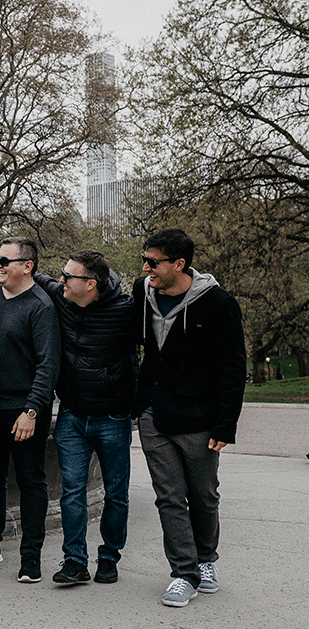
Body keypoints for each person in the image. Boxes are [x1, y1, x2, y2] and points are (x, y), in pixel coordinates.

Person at [133, 229, 245, 607]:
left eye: (154, 261)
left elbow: (234, 367)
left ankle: (206, 558)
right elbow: (94, 289)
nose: (146, 267)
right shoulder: (142, 292)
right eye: (145, 259)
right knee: (169, 497)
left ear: (179, 264)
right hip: (153, 413)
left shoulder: (218, 303)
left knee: (203, 495)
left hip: (200, 417)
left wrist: (225, 424)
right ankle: (184, 572)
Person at [31, 251, 135, 586]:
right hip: (73, 416)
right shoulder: (62, 299)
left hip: (112, 418)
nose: (60, 279)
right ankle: (75, 561)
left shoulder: (126, 311)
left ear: (90, 284)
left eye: (68, 276)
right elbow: (35, 278)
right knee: (71, 491)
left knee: (116, 493)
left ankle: (109, 557)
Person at [0, 236, 60, 583]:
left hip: (24, 410)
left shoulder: (41, 307)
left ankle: (31, 558)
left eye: (4, 260)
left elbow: (47, 365)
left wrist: (32, 411)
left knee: (31, 482)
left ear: (28, 266)